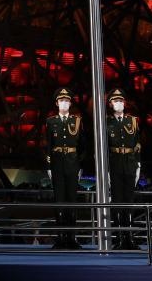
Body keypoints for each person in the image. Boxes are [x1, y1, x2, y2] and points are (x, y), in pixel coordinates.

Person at [45, 87, 87, 249]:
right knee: (59, 201)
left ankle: (71, 238)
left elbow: (83, 146)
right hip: (56, 163)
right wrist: (49, 166)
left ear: (70, 103)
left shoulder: (77, 121)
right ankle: (61, 238)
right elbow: (47, 145)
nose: (64, 103)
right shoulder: (51, 122)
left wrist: (80, 165)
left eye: (67, 101)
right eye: (61, 100)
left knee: (72, 201)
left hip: (72, 163)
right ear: (57, 103)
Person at [106, 88, 141, 250]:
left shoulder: (132, 121)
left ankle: (130, 238)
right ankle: (119, 238)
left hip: (130, 162)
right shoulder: (106, 122)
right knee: (117, 202)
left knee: (129, 202)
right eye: (115, 101)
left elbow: (138, 144)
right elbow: (104, 147)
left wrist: (138, 164)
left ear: (125, 103)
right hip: (114, 163)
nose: (118, 103)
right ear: (110, 104)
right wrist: (106, 169)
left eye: (120, 101)